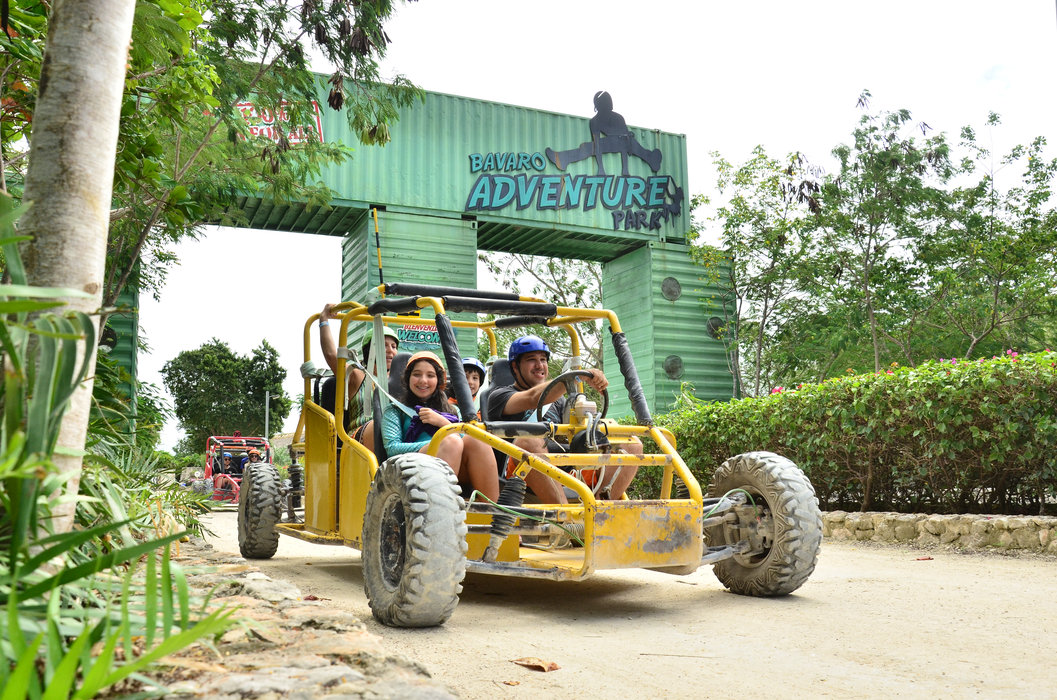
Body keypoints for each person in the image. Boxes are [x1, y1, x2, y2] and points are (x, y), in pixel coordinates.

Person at [487, 335, 641, 503]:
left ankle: (598, 511)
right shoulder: (499, 396)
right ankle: (568, 520)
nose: (540, 365)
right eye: (531, 360)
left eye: (543, 359)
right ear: (515, 367)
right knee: (529, 441)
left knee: (631, 444)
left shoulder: (560, 401)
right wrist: (576, 376)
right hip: (520, 473)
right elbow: (533, 397)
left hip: (566, 469)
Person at [381, 351, 499, 501]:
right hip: (409, 468)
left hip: (453, 469)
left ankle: (492, 513)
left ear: (438, 380)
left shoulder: (453, 410)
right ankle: (439, 514)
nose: (423, 380)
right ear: (408, 378)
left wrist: (442, 423)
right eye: (417, 374)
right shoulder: (395, 410)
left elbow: (466, 438)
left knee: (477, 440)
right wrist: (439, 443)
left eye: (430, 376)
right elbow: (392, 449)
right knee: (451, 441)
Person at [318, 302, 399, 450]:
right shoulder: (357, 375)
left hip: (393, 436)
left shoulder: (400, 380)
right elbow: (331, 355)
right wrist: (324, 319)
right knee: (380, 426)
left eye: (393, 347)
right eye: (384, 345)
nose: (390, 351)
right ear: (370, 349)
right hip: (360, 438)